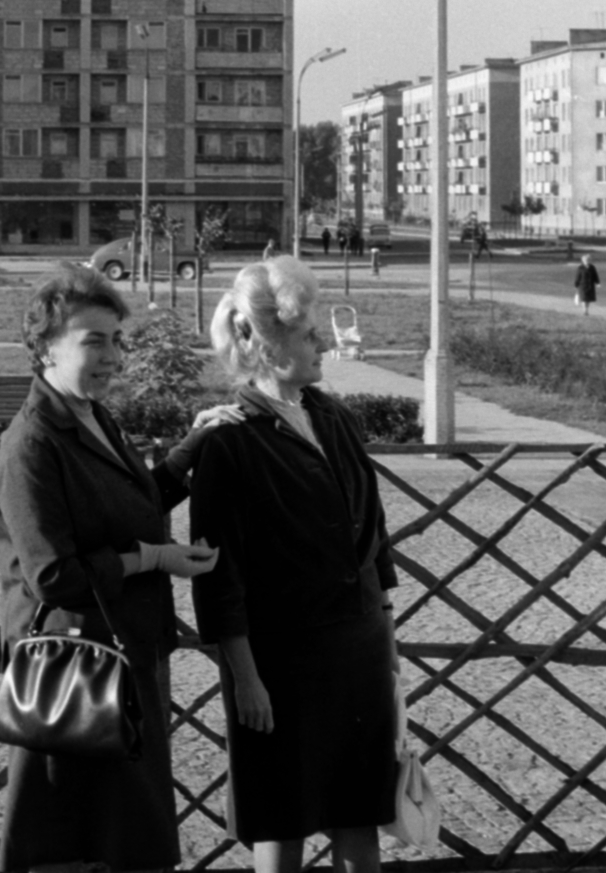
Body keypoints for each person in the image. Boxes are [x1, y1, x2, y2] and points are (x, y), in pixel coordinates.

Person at [0, 261, 237, 873]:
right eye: (93, 341)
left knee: (125, 834)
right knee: (74, 843)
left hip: (124, 652)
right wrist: (156, 559)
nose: (113, 356)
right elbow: (52, 575)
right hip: (72, 671)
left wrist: (191, 447)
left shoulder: (93, 416)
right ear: (45, 347)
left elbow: (132, 506)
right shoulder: (32, 443)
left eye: (117, 340)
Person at [190, 255, 399, 873]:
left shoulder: (335, 416)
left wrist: (385, 631)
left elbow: (372, 535)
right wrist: (245, 678)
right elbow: (219, 577)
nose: (323, 347)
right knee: (283, 818)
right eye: (309, 335)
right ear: (268, 344)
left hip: (356, 647)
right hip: (279, 662)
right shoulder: (230, 439)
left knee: (359, 811)